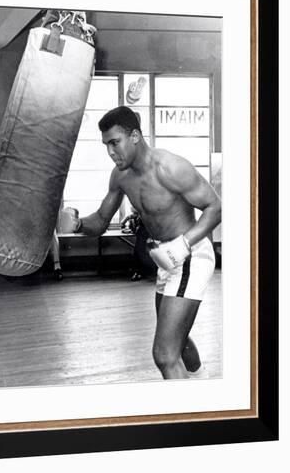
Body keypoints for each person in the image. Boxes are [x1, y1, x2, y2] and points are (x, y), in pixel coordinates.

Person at [60, 106, 221, 379]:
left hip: (190, 255)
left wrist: (184, 244)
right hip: (165, 260)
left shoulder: (170, 168)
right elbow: (100, 220)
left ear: (134, 136)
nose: (111, 152)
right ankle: (203, 384)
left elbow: (215, 207)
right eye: (106, 145)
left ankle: (191, 416)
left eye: (115, 143)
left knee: (164, 354)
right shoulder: (120, 176)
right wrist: (76, 224)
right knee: (177, 342)